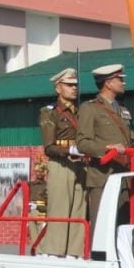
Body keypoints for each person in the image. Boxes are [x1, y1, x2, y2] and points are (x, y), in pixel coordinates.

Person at [76, 64, 134, 228]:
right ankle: (98, 255)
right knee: (102, 226)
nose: (123, 83)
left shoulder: (123, 110)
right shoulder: (89, 108)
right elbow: (82, 143)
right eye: (120, 80)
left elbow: (132, 141)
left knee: (122, 225)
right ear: (108, 83)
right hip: (103, 177)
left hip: (124, 176)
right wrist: (106, 148)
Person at [37, 67, 86, 257]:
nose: (74, 88)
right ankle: (53, 251)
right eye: (69, 85)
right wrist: (70, 149)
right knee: (60, 207)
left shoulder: (80, 112)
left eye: (75, 85)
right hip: (61, 163)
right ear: (58, 88)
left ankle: (74, 252)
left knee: (78, 208)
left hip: (80, 163)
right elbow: (49, 146)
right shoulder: (50, 113)